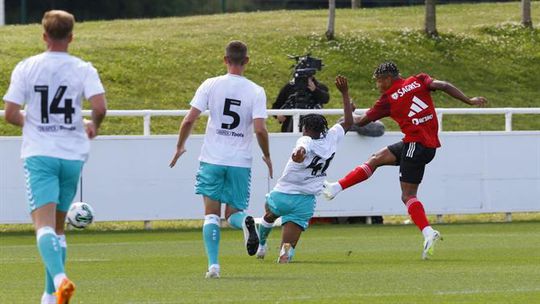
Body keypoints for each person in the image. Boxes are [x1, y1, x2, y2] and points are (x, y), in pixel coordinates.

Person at [323, 62, 487, 259]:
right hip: (426, 145)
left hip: (415, 146)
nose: (378, 86)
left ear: (387, 79)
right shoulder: (418, 80)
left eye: (378, 82)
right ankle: (336, 188)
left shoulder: (388, 99)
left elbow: (359, 122)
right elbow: (443, 85)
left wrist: (345, 97)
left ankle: (428, 232)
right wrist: (469, 100)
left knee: (407, 196)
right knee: (376, 159)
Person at [3, 10, 107, 304]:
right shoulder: (83, 68)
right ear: (71, 37)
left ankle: (60, 279)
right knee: (59, 228)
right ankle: (50, 297)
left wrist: (33, 123)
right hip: (73, 154)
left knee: (43, 225)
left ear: (44, 36)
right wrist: (92, 126)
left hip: (40, 154)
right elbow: (99, 107)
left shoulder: (27, 67)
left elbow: (11, 113)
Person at [169, 40, 273, 278]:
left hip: (213, 159)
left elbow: (189, 119)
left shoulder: (210, 84)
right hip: (240, 161)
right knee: (232, 214)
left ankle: (214, 266)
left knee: (211, 215)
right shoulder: (256, 90)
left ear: (224, 59)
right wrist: (266, 155)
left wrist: (180, 146)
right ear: (247, 61)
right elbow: (260, 129)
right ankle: (245, 220)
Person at [255, 75, 353, 263]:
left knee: (269, 211)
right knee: (287, 250)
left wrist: (298, 155)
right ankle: (283, 257)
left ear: (306, 128)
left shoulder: (306, 139)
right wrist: (345, 94)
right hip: (305, 202)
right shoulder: (331, 138)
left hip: (283, 195)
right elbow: (348, 122)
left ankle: (261, 245)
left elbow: (301, 148)